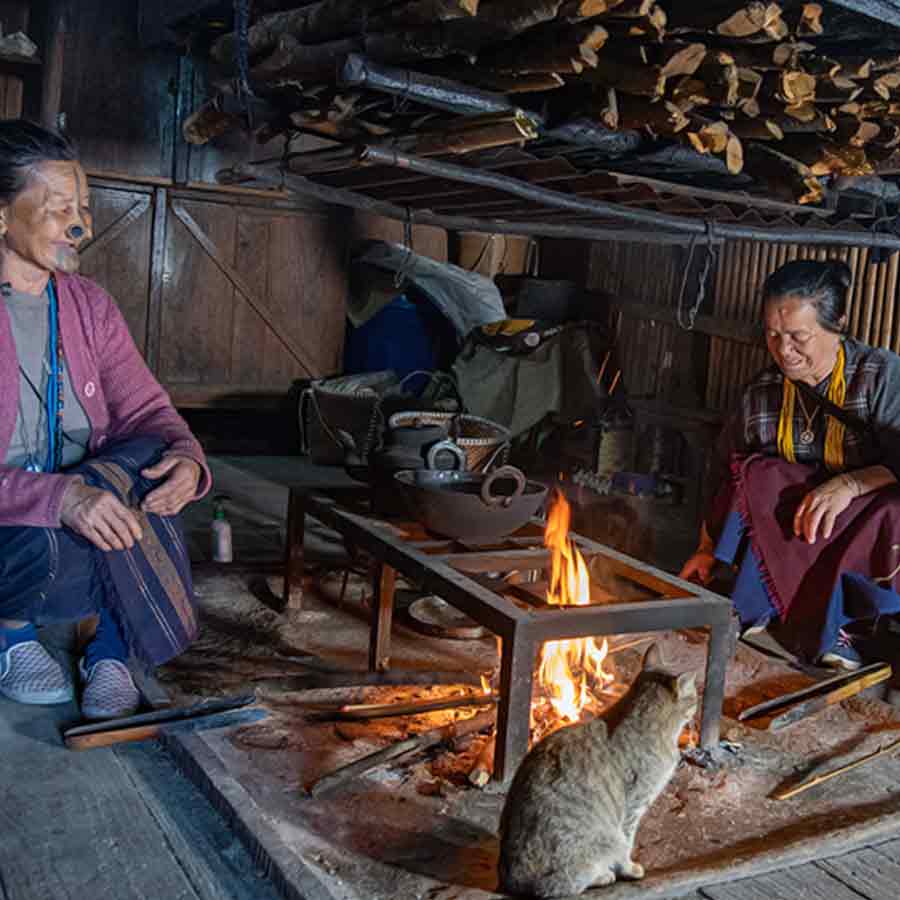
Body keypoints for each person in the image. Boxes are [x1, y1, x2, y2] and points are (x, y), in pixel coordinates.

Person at [0, 120, 210, 719]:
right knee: (63, 536)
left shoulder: (88, 304)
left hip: (84, 492)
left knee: (151, 468)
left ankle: (110, 647)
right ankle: (11, 635)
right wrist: (62, 498)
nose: (81, 227)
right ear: (2, 215)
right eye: (60, 210)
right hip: (13, 517)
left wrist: (186, 461)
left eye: (85, 209)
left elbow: (148, 410)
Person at [680, 259, 900, 671]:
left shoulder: (880, 376)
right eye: (773, 335)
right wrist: (705, 549)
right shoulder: (762, 393)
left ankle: (847, 628)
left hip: (863, 521)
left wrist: (850, 486)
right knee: (755, 474)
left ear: (839, 325)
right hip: (801, 520)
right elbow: (722, 470)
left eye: (799, 336)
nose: (784, 350)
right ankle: (765, 602)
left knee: (894, 510)